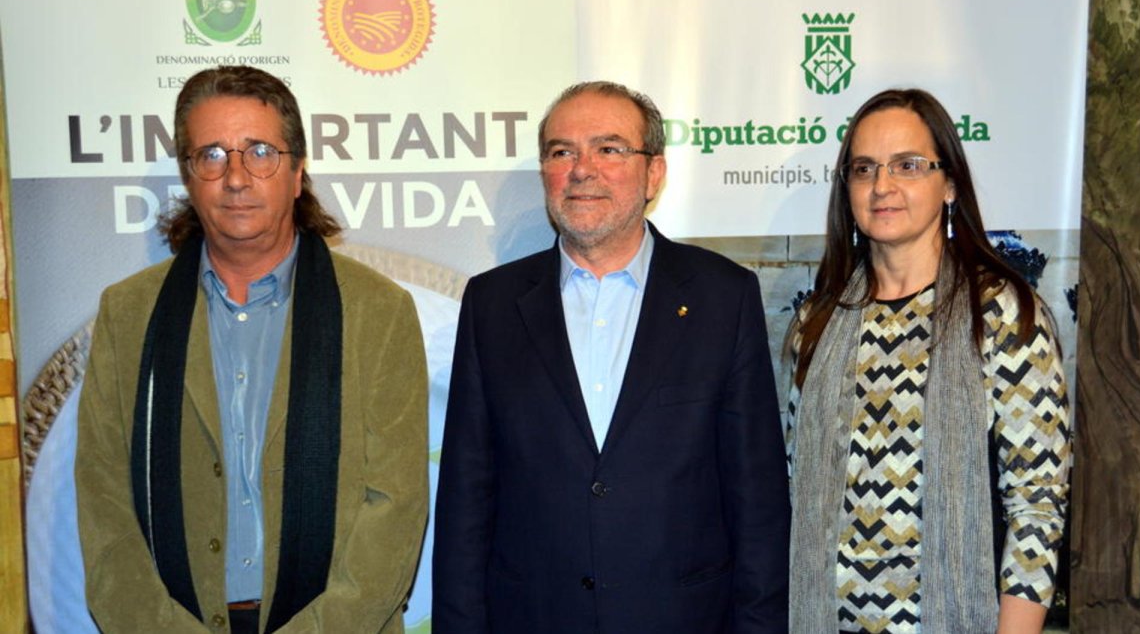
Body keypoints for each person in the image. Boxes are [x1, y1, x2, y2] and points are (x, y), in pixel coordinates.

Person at [75, 65, 429, 633]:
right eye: (212, 155)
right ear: (189, 176)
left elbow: (396, 506)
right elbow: (104, 506)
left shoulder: (377, 311)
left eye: (260, 151)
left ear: (296, 170)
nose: (236, 177)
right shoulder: (129, 313)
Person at [433, 81, 790, 633]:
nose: (582, 169)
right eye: (561, 152)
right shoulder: (492, 304)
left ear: (654, 173)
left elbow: (758, 499)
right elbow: (464, 501)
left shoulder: (724, 296)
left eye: (609, 148)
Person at [784, 88, 1071, 633]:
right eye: (863, 169)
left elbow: (1037, 506)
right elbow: (797, 487)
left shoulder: (1002, 314)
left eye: (908, 166)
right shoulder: (817, 324)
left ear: (950, 185)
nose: (882, 186)